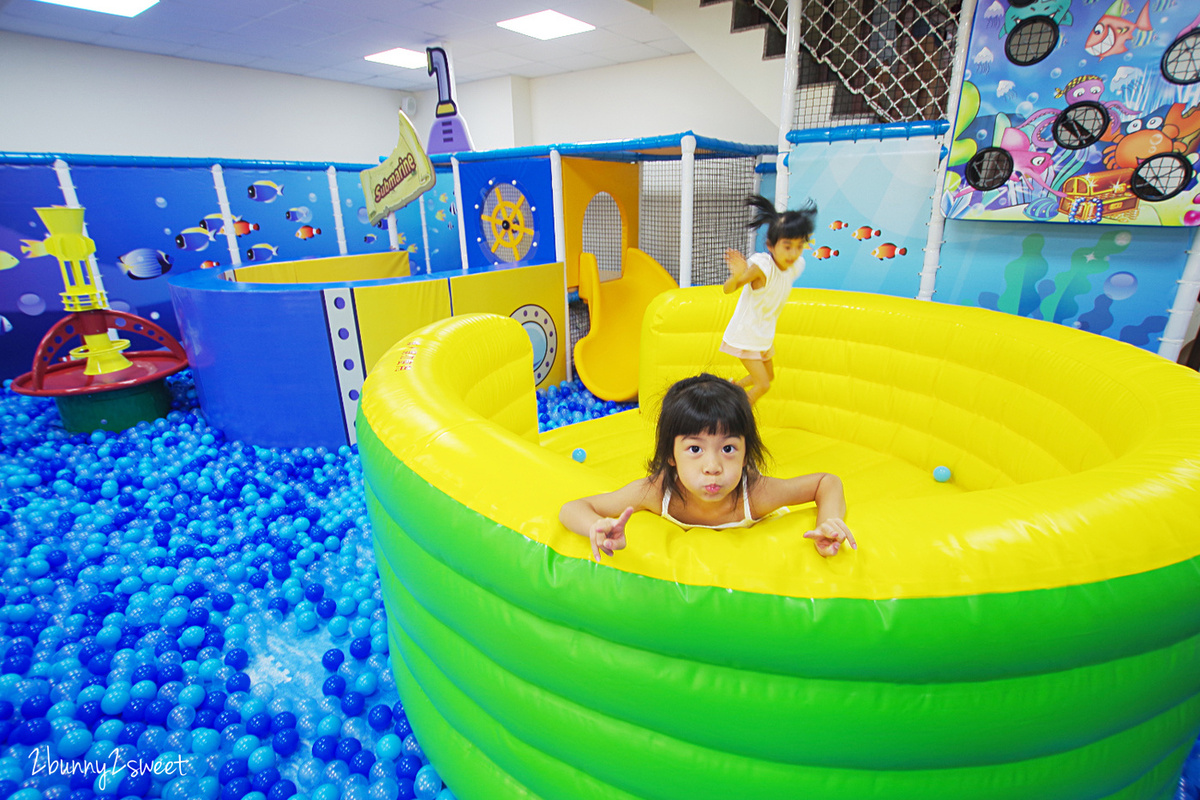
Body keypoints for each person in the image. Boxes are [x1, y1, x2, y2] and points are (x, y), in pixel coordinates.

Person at [559, 374, 852, 563]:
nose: (712, 467)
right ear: (671, 456)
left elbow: (826, 482)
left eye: (728, 449)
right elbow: (572, 508)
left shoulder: (757, 494)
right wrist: (594, 527)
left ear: (745, 452)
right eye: (695, 450)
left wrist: (827, 522)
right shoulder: (657, 491)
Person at [722, 195, 817, 404]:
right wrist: (737, 275)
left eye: (799, 246)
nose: (793, 253)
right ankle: (735, 418)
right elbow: (728, 289)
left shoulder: (795, 266)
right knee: (762, 384)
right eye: (787, 246)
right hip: (746, 334)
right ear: (771, 246)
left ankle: (730, 389)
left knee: (768, 377)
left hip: (763, 335)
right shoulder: (762, 267)